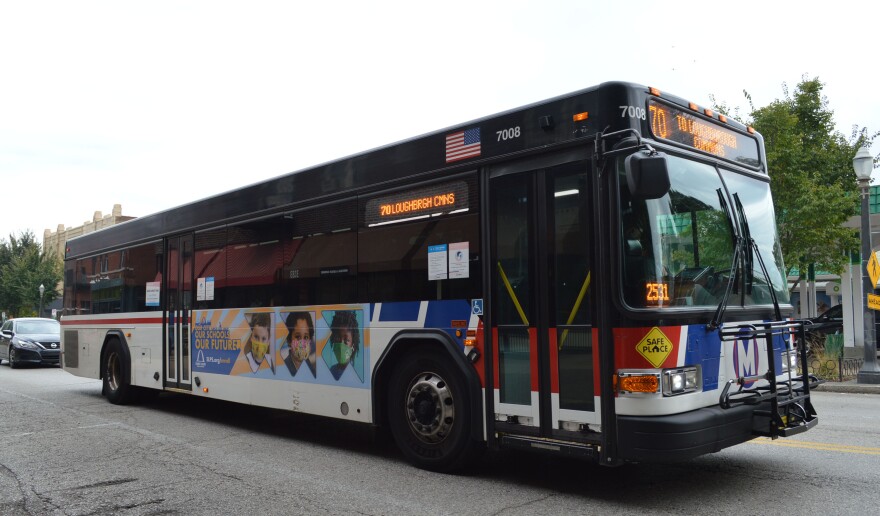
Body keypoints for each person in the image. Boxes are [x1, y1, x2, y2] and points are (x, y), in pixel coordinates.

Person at [281, 311, 316, 377]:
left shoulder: (314, 370)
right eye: (298, 337)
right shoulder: (283, 368)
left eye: (306, 337)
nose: (302, 343)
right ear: (289, 340)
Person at [328, 310, 359, 380]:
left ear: (353, 344)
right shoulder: (331, 371)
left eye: (346, 340)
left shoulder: (355, 373)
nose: (341, 345)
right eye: (338, 338)